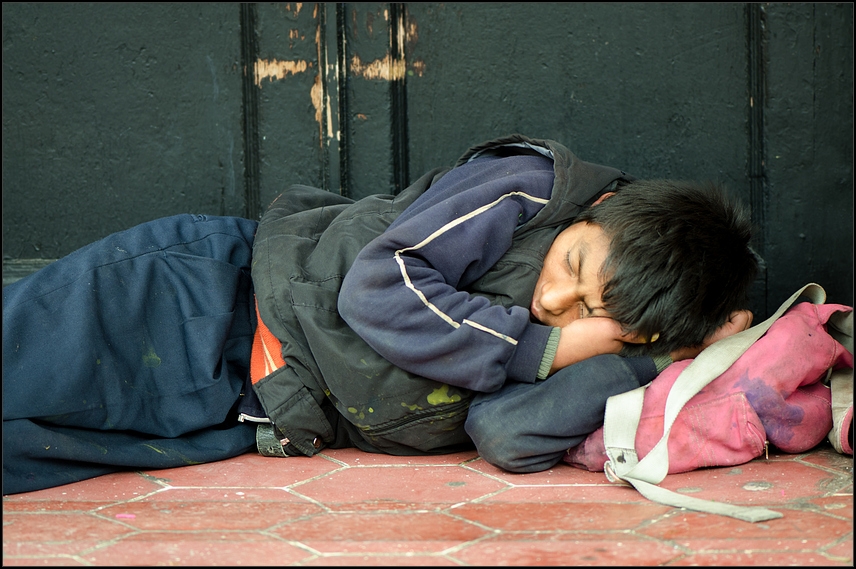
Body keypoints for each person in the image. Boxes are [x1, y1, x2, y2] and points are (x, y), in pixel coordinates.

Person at [2, 134, 757, 495]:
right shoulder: (526, 191)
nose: (556, 303)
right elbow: (377, 286)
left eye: (593, 312)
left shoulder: (587, 344)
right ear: (599, 208)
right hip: (195, 302)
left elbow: (504, 431)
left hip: (235, 410)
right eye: (574, 267)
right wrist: (538, 344)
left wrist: (640, 359)